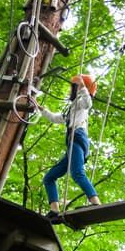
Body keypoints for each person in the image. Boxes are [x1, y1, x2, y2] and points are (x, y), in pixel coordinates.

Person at [38, 74, 101, 219]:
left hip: (77, 139)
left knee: (77, 173)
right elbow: (54, 118)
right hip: (72, 144)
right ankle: (54, 210)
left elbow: (87, 103)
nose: (69, 91)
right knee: (49, 178)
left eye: (72, 87)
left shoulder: (81, 103)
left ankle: (95, 202)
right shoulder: (71, 109)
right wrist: (41, 109)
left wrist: (83, 87)